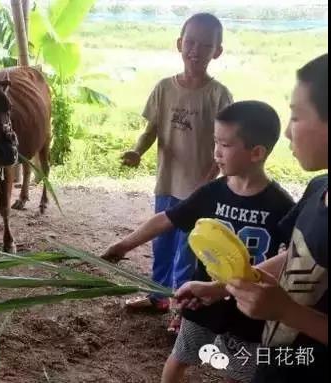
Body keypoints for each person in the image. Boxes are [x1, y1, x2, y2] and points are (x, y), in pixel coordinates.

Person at [104, 100, 295, 382]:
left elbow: (297, 254)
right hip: (202, 299)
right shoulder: (211, 193)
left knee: (241, 372)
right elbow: (167, 218)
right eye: (215, 142)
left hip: (250, 306)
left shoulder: (281, 204)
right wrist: (123, 245)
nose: (216, 152)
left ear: (256, 152)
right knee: (181, 357)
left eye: (225, 145)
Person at [176, 53, 328, 382]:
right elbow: (295, 256)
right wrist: (219, 288)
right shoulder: (319, 188)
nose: (287, 133)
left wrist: (288, 312)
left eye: (297, 117)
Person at [120, 13, 233, 329]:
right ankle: (158, 298)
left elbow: (223, 145)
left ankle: (182, 313)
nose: (196, 50)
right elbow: (151, 129)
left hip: (198, 191)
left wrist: (207, 183)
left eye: (205, 45)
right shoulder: (164, 88)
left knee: (188, 252)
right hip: (167, 185)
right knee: (163, 246)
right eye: (191, 42)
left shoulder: (218, 95)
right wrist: (137, 150)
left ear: (217, 51)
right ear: (179, 44)